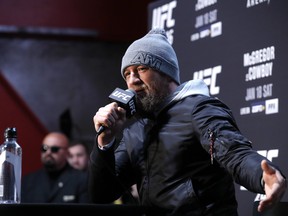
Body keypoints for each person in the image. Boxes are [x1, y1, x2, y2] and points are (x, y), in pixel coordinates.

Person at [88, 28, 286, 215]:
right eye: (127, 73)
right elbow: (102, 194)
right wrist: (105, 142)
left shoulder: (198, 109)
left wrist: (263, 177)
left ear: (167, 73)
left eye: (141, 68)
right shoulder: (135, 131)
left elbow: (234, 152)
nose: (133, 80)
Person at [21, 131, 89, 203]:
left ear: (67, 153)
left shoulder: (82, 180)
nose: (48, 152)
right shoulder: (28, 181)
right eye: (44, 148)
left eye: (54, 149)